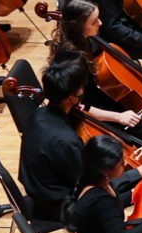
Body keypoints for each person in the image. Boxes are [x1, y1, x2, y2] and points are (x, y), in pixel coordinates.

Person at [46, 0, 142, 160]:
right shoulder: (72, 61)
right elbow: (76, 107)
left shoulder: (80, 40)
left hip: (96, 101)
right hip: (87, 116)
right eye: (94, 21)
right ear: (78, 26)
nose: (100, 23)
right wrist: (118, 117)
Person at [15, 57, 93, 222]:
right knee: (131, 192)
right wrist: (136, 173)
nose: (82, 92)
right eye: (80, 90)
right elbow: (86, 184)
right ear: (70, 99)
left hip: (40, 191)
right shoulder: (66, 141)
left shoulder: (37, 114)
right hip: (60, 206)